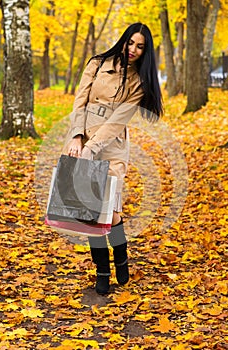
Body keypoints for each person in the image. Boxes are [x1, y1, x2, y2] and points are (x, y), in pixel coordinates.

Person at [65, 22, 163, 295]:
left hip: (112, 145)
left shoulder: (139, 82)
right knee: (91, 212)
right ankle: (102, 270)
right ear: (123, 40)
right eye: (131, 43)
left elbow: (117, 121)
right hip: (82, 138)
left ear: (146, 51)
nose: (133, 50)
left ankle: (121, 255)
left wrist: (92, 148)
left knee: (112, 212)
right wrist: (76, 137)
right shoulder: (97, 64)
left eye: (140, 46)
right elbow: (80, 102)